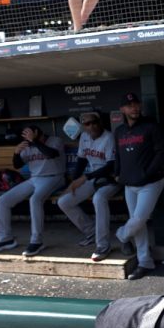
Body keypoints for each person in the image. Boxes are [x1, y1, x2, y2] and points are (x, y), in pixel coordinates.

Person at [0, 125, 65, 257]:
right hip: (34, 179)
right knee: (3, 200)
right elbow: (17, 165)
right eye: (25, 136)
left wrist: (35, 141)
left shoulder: (55, 140)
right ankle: (5, 239)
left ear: (37, 132)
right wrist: (16, 153)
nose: (27, 138)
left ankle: (36, 241)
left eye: (29, 134)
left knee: (35, 199)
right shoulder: (28, 145)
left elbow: (52, 154)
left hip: (54, 177)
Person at [114, 92, 164, 280]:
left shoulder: (150, 126)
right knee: (139, 223)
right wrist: (117, 173)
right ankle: (145, 261)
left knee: (138, 219)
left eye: (136, 104)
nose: (134, 108)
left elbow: (161, 153)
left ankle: (120, 235)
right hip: (129, 184)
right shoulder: (119, 131)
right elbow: (118, 154)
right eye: (129, 105)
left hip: (150, 183)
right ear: (122, 109)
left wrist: (147, 173)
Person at [57, 112, 120, 262]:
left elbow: (110, 166)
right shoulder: (84, 137)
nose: (91, 126)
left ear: (100, 123)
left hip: (111, 179)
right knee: (64, 201)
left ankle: (103, 245)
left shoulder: (109, 137)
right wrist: (72, 183)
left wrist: (84, 178)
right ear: (83, 127)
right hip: (93, 179)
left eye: (94, 122)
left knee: (98, 199)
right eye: (87, 124)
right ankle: (91, 231)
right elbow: (81, 161)